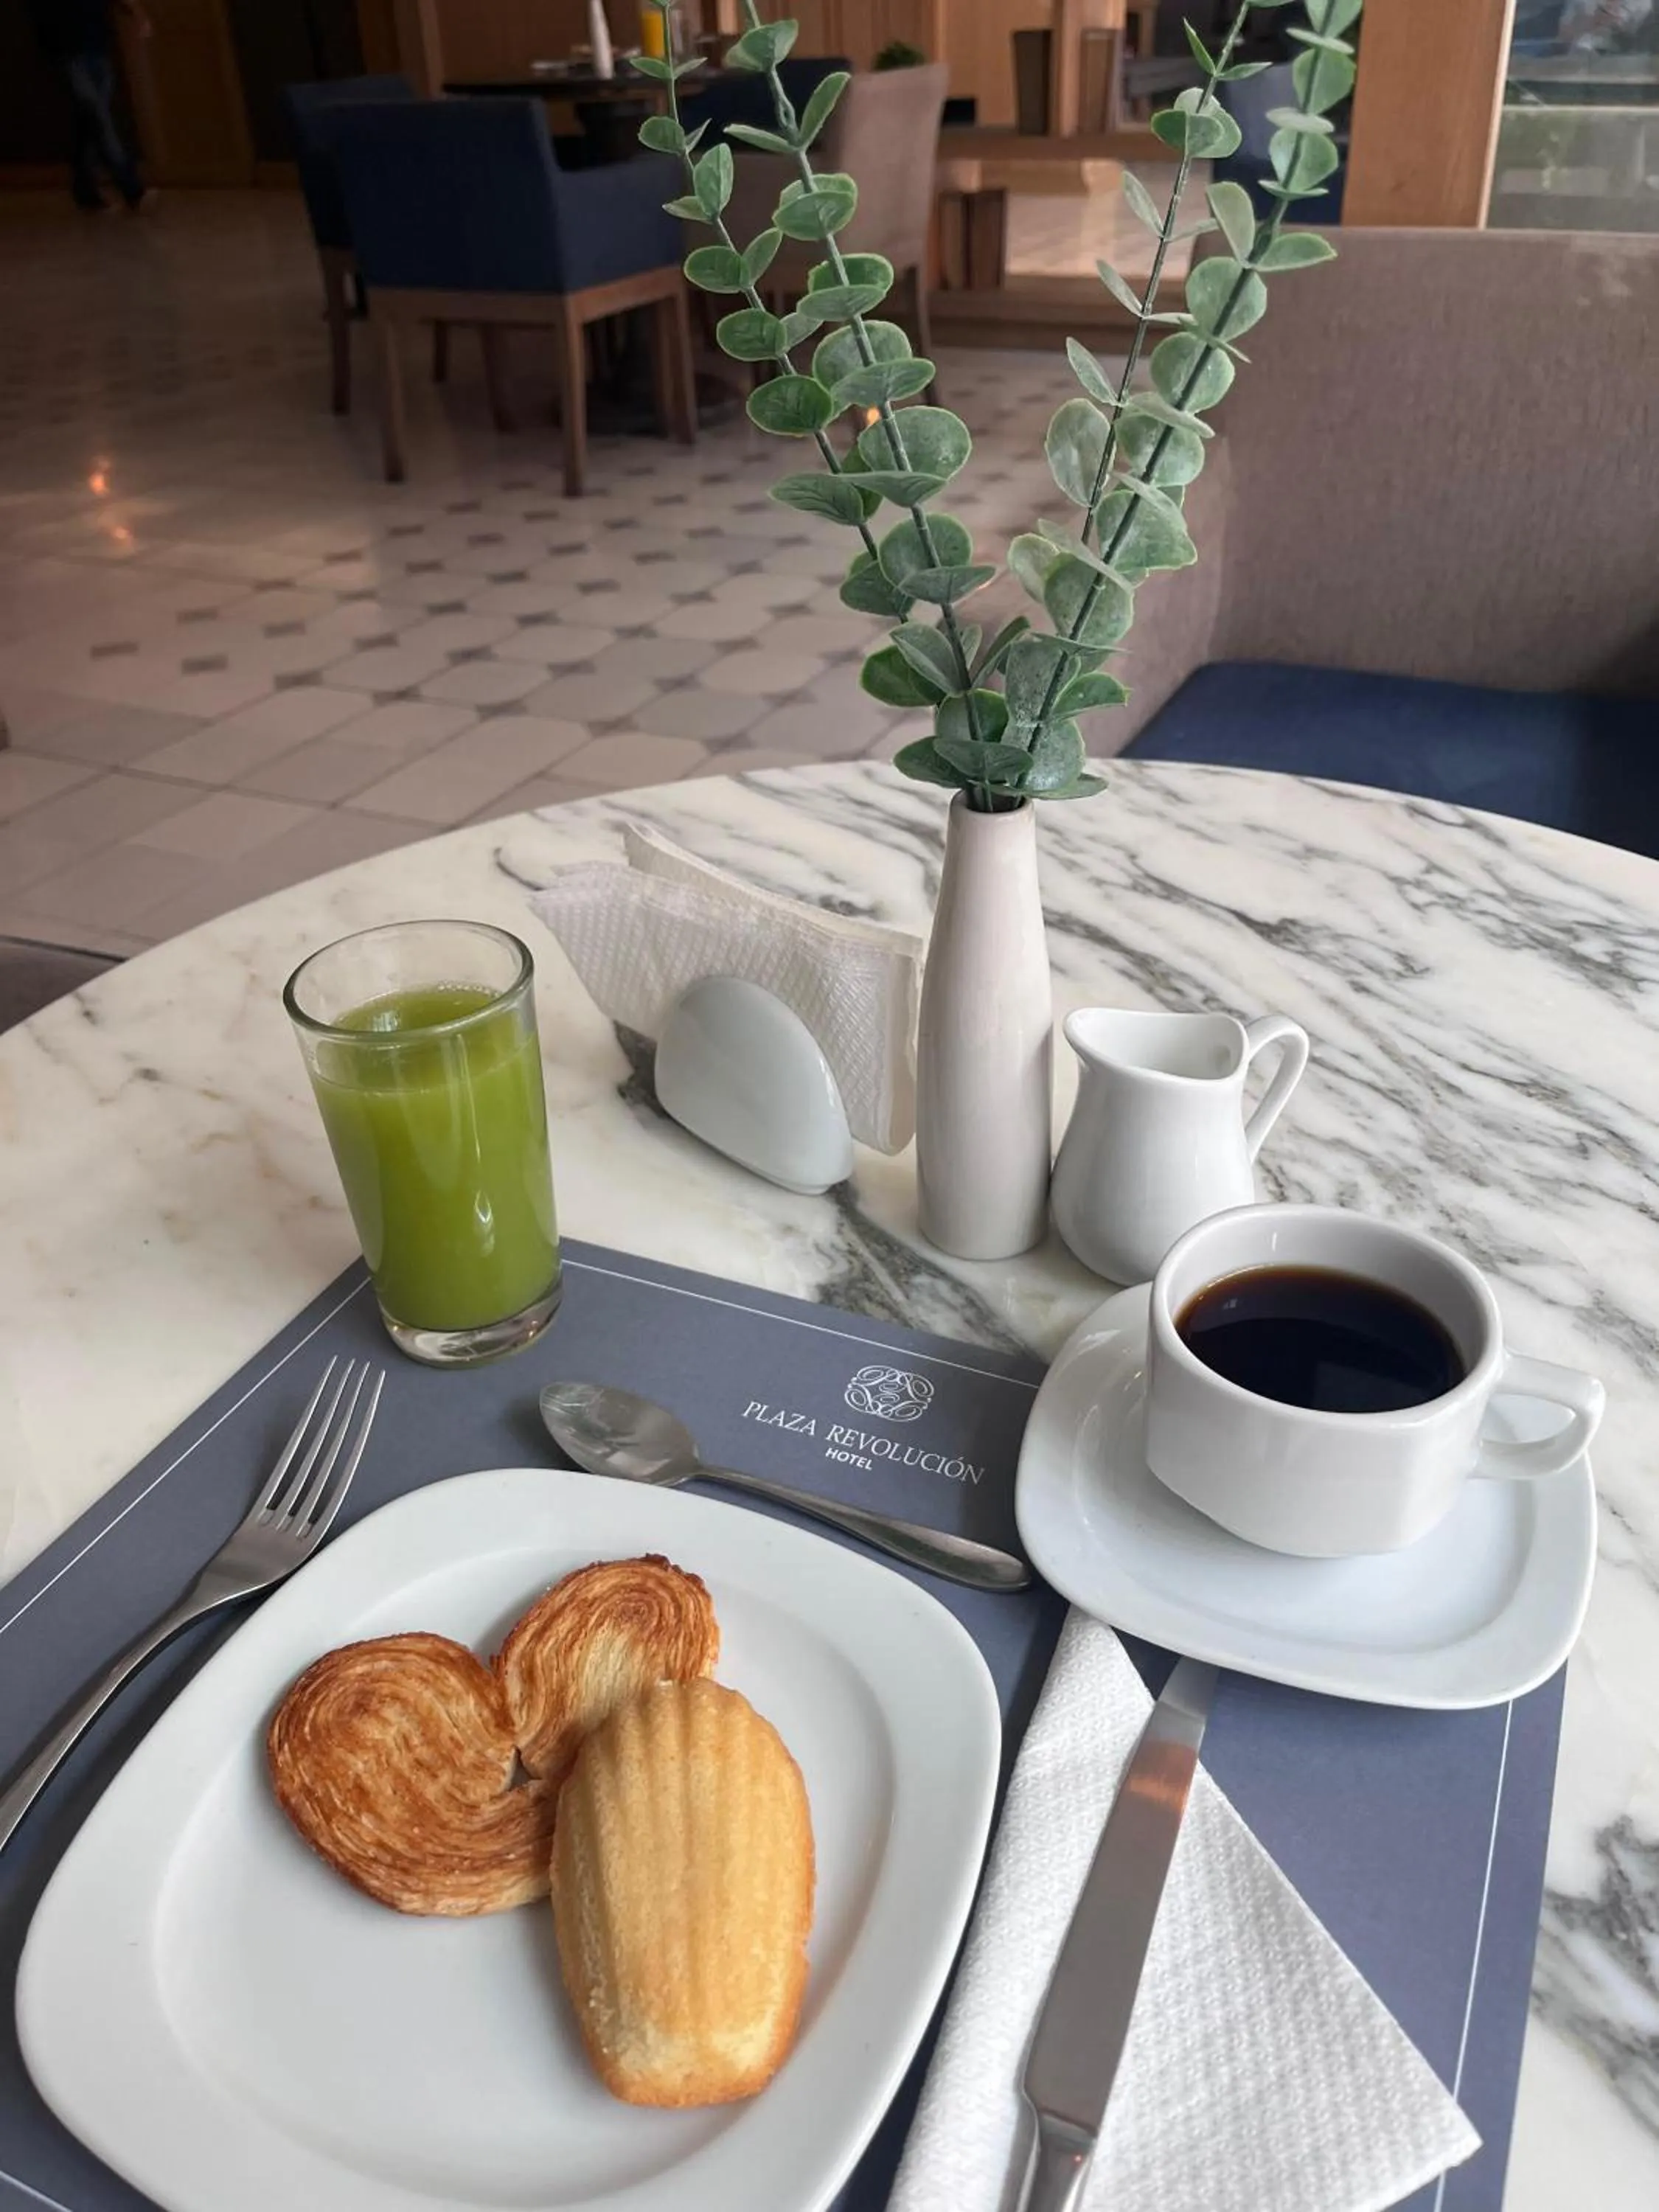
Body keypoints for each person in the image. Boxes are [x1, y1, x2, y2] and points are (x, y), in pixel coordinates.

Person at [27, 0, 155, 214]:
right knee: (98, 118)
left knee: (89, 122)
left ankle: (85, 192)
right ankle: (132, 189)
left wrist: (138, 15)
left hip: (96, 46)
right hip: (67, 52)